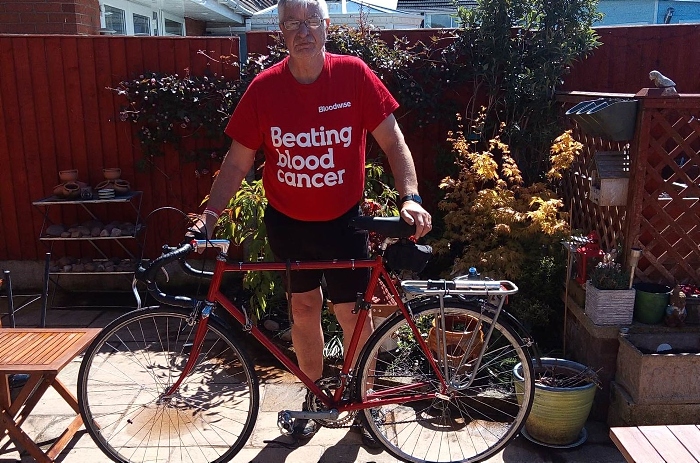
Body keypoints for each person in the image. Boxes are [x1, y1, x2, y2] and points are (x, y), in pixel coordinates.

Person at [192, 0, 431, 447]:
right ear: (280, 31)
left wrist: (411, 197)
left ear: (326, 26)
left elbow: (394, 143)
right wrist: (209, 215)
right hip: (290, 224)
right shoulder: (264, 89)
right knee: (303, 311)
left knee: (352, 315)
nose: (302, 31)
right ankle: (315, 394)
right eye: (292, 24)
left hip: (345, 223)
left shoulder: (354, 76)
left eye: (311, 22)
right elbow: (236, 162)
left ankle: (363, 402)